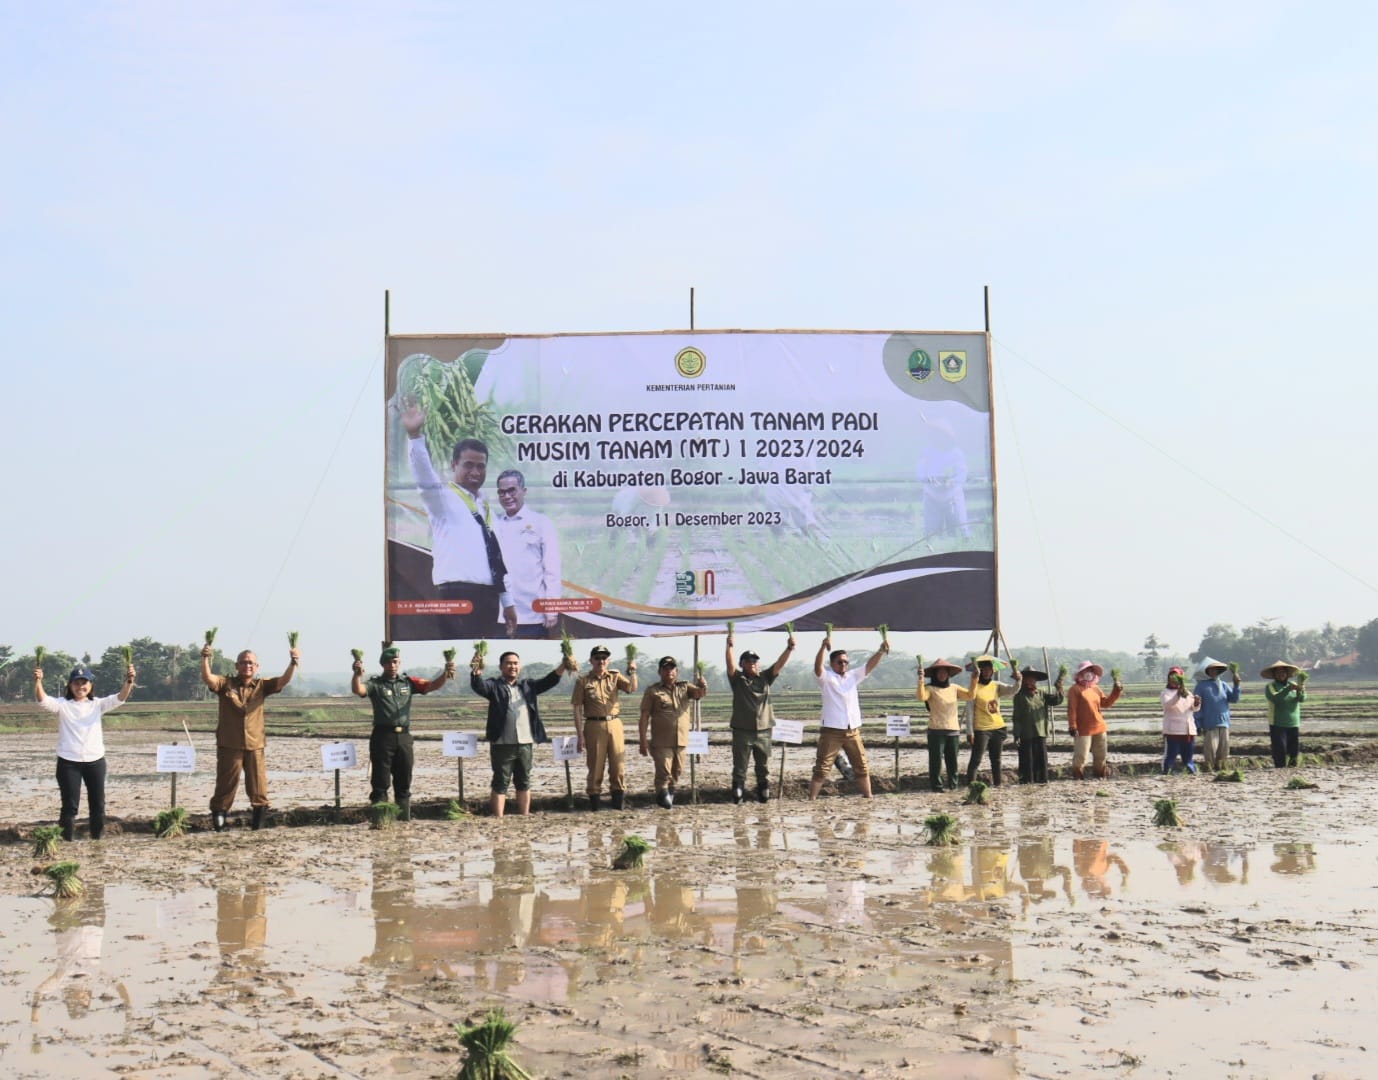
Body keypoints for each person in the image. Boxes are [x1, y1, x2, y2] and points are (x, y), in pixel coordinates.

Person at [401, 400, 517, 636]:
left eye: (481, 466)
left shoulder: (488, 510)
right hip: (456, 595)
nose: (475, 472)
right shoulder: (442, 499)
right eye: (468, 465)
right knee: (460, 656)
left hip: (489, 598)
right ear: (454, 465)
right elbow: (423, 474)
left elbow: (497, 560)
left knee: (482, 658)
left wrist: (507, 602)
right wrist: (415, 436)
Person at [200, 642, 298, 831]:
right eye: (244, 663)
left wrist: (293, 662)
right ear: (236, 666)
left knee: (258, 786)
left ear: (257, 667)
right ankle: (219, 821)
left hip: (255, 744)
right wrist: (205, 658)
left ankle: (258, 826)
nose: (248, 666)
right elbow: (208, 678)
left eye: (251, 663)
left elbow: (283, 681)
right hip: (230, 744)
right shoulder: (225, 684)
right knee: (226, 785)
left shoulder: (262, 686)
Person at [34, 661, 136, 841]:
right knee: (70, 805)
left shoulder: (98, 704)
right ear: (70, 685)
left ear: (90, 685)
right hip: (68, 762)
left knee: (97, 805)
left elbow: (120, 698)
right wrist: (38, 681)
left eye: (84, 683)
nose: (81, 686)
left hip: (95, 761)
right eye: (76, 683)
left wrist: (129, 680)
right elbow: (43, 700)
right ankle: (67, 841)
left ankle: (97, 839)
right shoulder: (62, 705)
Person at [352, 646, 455, 819]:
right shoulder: (376, 684)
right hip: (383, 737)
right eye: (388, 662)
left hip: (404, 737)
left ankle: (403, 820)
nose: (392, 665)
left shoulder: (408, 682)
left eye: (395, 661)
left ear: (399, 663)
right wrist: (357, 674)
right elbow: (359, 690)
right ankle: (381, 821)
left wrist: (446, 673)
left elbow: (431, 686)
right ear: (383, 664)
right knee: (381, 782)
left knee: (404, 781)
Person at [470, 650, 573, 817]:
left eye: (515, 663)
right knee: (500, 781)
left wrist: (564, 664)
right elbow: (479, 687)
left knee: (524, 780)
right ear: (501, 667)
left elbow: (549, 681)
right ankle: (498, 818)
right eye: (509, 663)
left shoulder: (528, 686)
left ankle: (524, 815)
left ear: (520, 666)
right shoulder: (494, 686)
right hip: (502, 743)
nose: (513, 666)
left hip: (526, 741)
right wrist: (476, 671)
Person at [810, 632, 888, 800]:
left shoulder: (853, 676)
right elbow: (817, 667)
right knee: (822, 767)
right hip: (832, 730)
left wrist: (881, 651)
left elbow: (869, 666)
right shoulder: (826, 678)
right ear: (832, 664)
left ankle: (868, 796)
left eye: (846, 661)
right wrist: (823, 646)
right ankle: (812, 799)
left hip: (852, 729)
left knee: (861, 766)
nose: (843, 664)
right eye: (840, 662)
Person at [492, 468, 562, 638]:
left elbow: (552, 568)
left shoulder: (541, 523)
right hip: (501, 617)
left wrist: (551, 608)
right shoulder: (494, 524)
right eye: (502, 492)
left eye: (511, 491)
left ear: (523, 491)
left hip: (532, 616)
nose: (507, 497)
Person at [725, 631, 794, 804]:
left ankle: (763, 789)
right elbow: (730, 665)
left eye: (755, 661)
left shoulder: (765, 678)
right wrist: (729, 647)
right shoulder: (738, 680)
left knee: (762, 766)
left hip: (764, 731)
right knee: (740, 766)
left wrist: (789, 648)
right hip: (742, 731)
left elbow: (779, 664)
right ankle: (738, 792)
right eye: (748, 661)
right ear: (742, 664)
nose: (752, 664)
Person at [572, 645, 638, 810]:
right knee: (595, 766)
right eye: (597, 658)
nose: (601, 661)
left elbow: (632, 688)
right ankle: (595, 805)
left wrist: (633, 672)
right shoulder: (583, 681)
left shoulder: (615, 677)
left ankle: (617, 804)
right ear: (591, 660)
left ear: (608, 660)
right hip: (594, 725)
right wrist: (580, 735)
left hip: (614, 723)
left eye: (604, 658)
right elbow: (577, 708)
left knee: (618, 766)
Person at [638, 656, 708, 808]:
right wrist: (643, 741)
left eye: (672, 668)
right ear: (660, 671)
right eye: (665, 668)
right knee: (664, 771)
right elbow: (644, 716)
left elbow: (698, 694)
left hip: (681, 740)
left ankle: (668, 798)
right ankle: (663, 797)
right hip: (661, 741)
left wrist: (703, 686)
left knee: (676, 772)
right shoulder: (653, 691)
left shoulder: (684, 687)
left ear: (676, 671)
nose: (669, 671)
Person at [916, 658, 972, 791]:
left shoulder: (954, 688)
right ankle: (937, 786)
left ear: (948, 674)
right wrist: (921, 679)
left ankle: (954, 785)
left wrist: (974, 679)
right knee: (936, 761)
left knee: (953, 761)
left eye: (944, 672)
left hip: (953, 730)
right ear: (935, 674)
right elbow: (921, 697)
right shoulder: (929, 688)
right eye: (939, 672)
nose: (942, 675)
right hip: (936, 730)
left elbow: (970, 695)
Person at [965, 654, 1016, 786]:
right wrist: (969, 732)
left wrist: (1019, 680)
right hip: (982, 729)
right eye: (983, 669)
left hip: (997, 727)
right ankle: (971, 786)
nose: (986, 672)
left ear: (993, 671)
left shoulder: (996, 685)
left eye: (989, 669)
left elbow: (1013, 690)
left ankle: (998, 785)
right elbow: (969, 711)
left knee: (996, 760)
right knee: (976, 759)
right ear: (979, 671)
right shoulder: (974, 688)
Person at [1065, 661, 1123, 780]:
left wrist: (1116, 691)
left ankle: (1100, 777)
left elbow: (1106, 703)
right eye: (1086, 670)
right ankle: (1078, 778)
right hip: (1083, 729)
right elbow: (1072, 709)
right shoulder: (1075, 689)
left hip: (1099, 727)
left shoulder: (1095, 688)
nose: (1089, 673)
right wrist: (1072, 726)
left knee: (1100, 756)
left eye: (1091, 671)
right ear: (1080, 673)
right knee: (1081, 756)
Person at [1010, 664, 1064, 785]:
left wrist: (1059, 688)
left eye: (1032, 678)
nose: (1030, 680)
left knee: (1041, 760)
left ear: (1035, 680)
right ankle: (1026, 783)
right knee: (1027, 761)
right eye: (1027, 678)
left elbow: (1056, 700)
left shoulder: (1041, 694)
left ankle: (1042, 783)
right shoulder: (1019, 696)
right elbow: (1017, 717)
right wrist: (1016, 734)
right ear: (1023, 680)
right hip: (1026, 734)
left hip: (1040, 732)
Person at [1193, 658, 1242, 771]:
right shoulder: (1201, 686)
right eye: (1211, 670)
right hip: (1209, 722)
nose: (1214, 672)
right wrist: (1197, 723)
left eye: (1216, 670)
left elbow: (1234, 699)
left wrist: (1236, 685)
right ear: (1206, 671)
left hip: (1224, 721)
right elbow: (1197, 706)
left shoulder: (1224, 685)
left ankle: (1221, 769)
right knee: (1210, 749)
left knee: (1224, 750)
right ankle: (1209, 769)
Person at [1261, 660, 1306, 768]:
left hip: (1293, 723)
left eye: (1283, 672)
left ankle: (1292, 770)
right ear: (1274, 675)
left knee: (1293, 751)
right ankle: (1280, 770)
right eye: (1278, 673)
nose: (1281, 675)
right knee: (1280, 750)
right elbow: (1275, 698)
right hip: (1278, 723)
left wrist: (1301, 690)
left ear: (1287, 674)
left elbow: (1302, 699)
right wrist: (1288, 689)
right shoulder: (1271, 686)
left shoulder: (1294, 686)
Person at [1160, 667, 1201, 774]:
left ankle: (1190, 771)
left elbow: (1193, 708)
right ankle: (1167, 772)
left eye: (1176, 677)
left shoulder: (1187, 693)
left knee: (1188, 756)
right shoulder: (1166, 692)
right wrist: (1178, 695)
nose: (1173, 679)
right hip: (1173, 730)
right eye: (1171, 677)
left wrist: (1197, 702)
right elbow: (1168, 705)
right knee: (1171, 755)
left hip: (1188, 729)